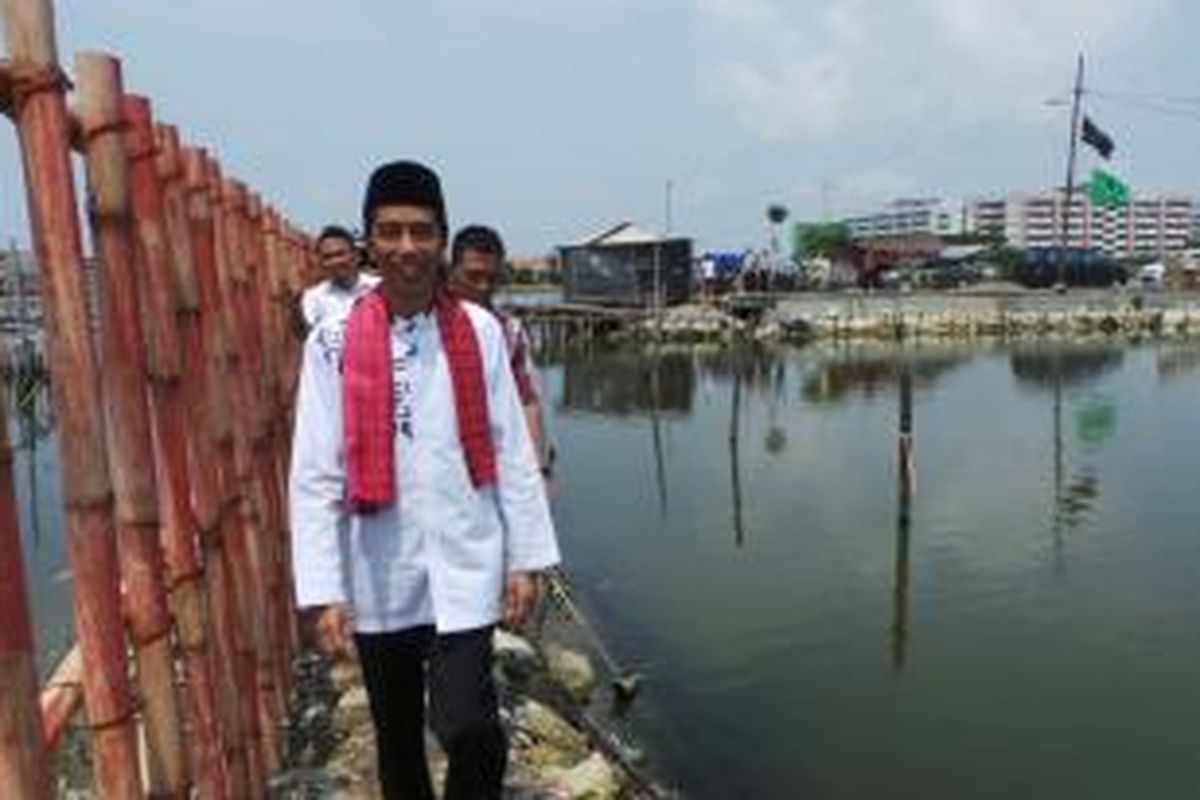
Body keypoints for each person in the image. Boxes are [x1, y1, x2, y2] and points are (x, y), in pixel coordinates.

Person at [289, 161, 560, 799]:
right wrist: (323, 590)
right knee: (399, 741)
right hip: (382, 572)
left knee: (470, 729)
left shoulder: (481, 331)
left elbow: (511, 451)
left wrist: (526, 560)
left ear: (441, 237)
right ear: (369, 243)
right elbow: (313, 472)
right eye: (390, 232)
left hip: (466, 565)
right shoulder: (330, 341)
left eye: (421, 231)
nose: (406, 248)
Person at [446, 224, 552, 479]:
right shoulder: (428, 324)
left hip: (498, 462)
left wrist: (541, 469)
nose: (483, 286)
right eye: (473, 276)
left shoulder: (509, 330)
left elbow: (527, 400)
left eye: (492, 278)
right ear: (452, 271)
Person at [295, 224, 379, 336]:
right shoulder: (313, 299)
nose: (335, 261)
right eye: (328, 257)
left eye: (340, 254)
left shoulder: (380, 288)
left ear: (356, 256)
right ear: (321, 262)